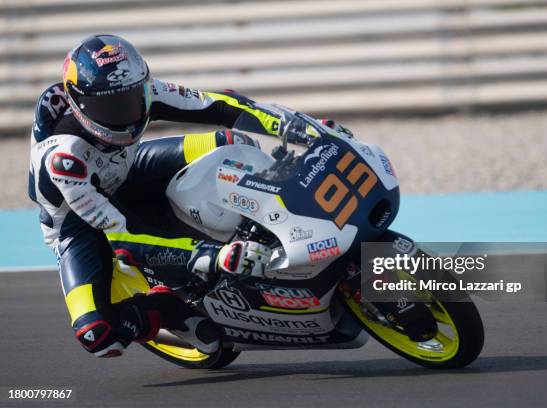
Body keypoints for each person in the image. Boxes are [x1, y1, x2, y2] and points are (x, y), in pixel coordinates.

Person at [28, 34, 348, 358]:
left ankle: (283, 221)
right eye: (110, 107)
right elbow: (114, 227)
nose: (125, 113)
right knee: (96, 334)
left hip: (127, 168)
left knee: (229, 142)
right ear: (77, 104)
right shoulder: (63, 158)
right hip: (80, 222)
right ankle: (166, 308)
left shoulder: (144, 91)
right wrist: (207, 253)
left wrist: (300, 127)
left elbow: (221, 103)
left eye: (131, 99)